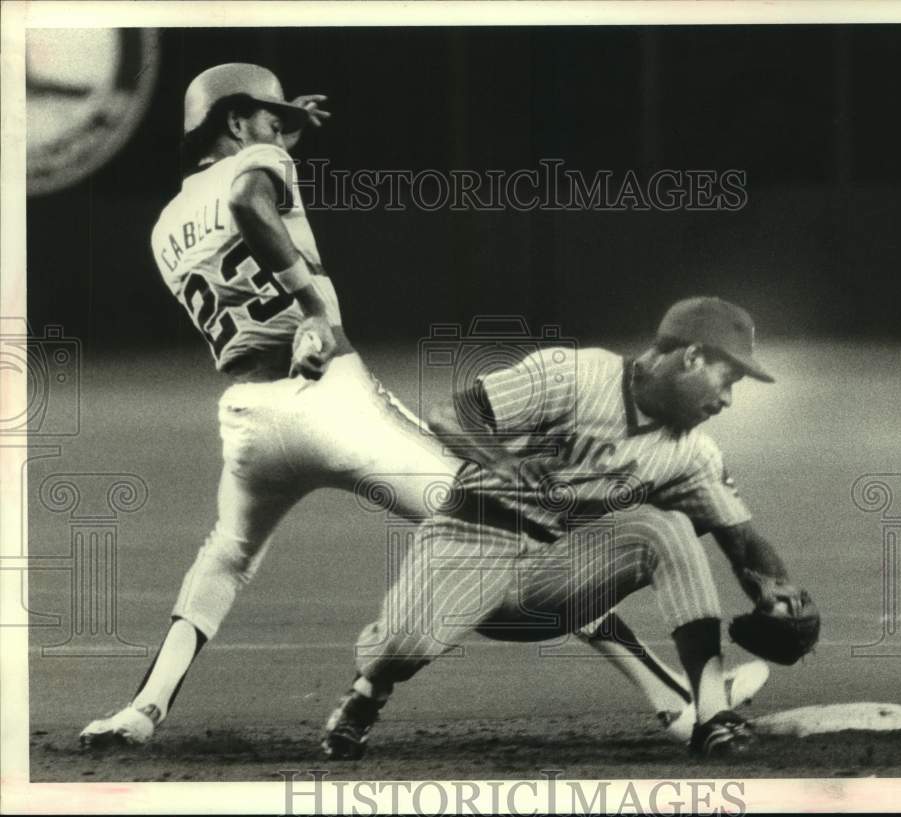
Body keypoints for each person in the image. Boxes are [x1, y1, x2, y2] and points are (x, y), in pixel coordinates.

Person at [79, 66, 766, 749]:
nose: (280, 132)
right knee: (516, 524)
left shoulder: (164, 227)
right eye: (266, 117)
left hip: (250, 419)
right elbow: (250, 202)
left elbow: (236, 214)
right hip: (331, 398)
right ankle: (677, 702)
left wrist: (279, 125)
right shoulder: (262, 162)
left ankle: (143, 707)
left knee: (224, 556)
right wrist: (313, 306)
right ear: (234, 123)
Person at [322, 297, 809, 759]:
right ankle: (368, 692)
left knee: (667, 527)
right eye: (728, 379)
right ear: (693, 357)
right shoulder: (574, 374)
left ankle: (712, 715)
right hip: (469, 542)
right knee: (403, 648)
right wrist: (502, 460)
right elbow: (448, 415)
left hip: (555, 580)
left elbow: (742, 541)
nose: (726, 400)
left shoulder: (693, 455)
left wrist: (777, 590)